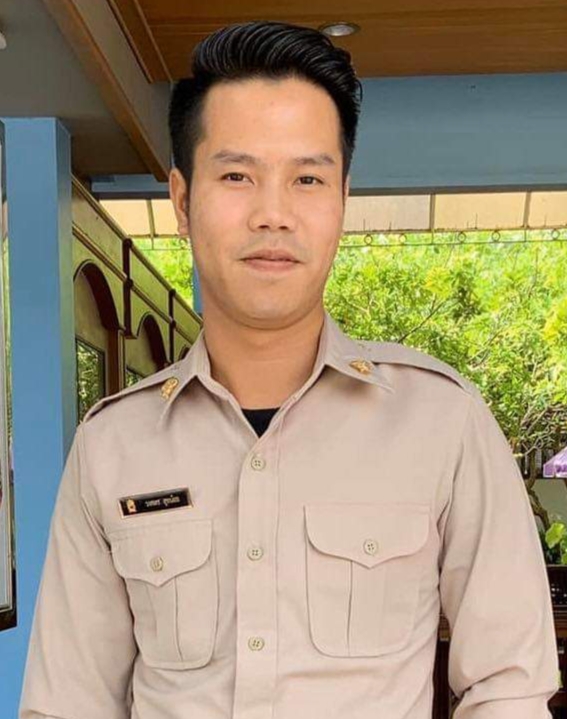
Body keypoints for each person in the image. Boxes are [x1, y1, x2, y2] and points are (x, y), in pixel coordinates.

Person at [20, 20, 559, 719]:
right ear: (182, 200)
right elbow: (69, 702)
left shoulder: (442, 422)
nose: (272, 214)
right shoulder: (112, 445)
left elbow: (509, 687)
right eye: (236, 176)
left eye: (307, 178)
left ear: (341, 199)